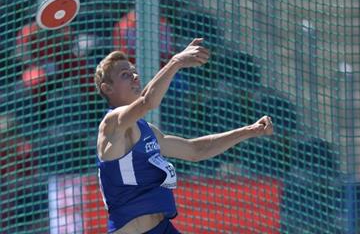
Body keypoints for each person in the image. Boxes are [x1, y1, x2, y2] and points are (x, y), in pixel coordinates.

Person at [94, 38, 273, 234]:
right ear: (107, 88)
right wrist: (176, 62)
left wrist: (249, 130)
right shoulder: (111, 124)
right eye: (126, 75)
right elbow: (148, 100)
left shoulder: (149, 131)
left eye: (135, 72)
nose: (135, 77)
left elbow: (195, 150)